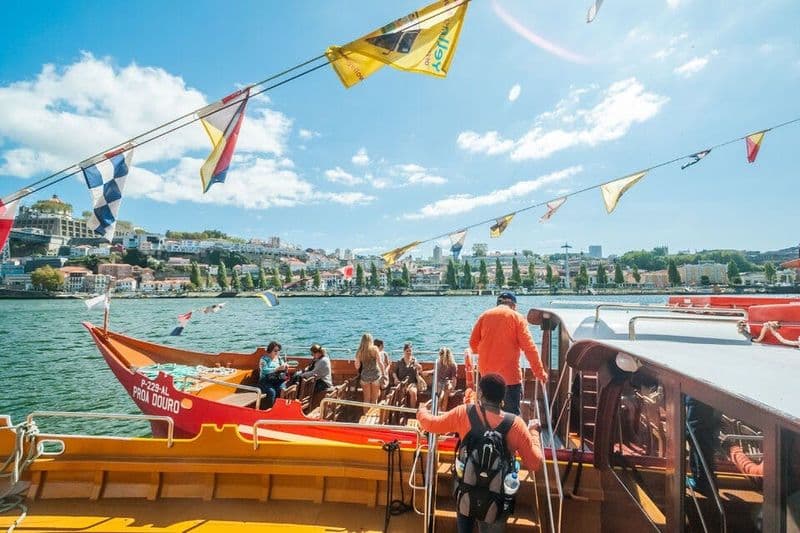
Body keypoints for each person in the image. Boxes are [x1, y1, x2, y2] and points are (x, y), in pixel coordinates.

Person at [417, 374, 543, 533]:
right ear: (502, 397)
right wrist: (534, 433)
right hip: (497, 497)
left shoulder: (464, 412)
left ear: (481, 394)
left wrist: (421, 411)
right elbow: (534, 463)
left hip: (466, 489)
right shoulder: (516, 424)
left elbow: (431, 424)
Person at [469, 291, 547, 415]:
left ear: (497, 304)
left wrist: (488, 352)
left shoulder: (484, 316)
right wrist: (539, 372)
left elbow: (473, 344)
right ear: (514, 306)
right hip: (509, 380)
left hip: (487, 378)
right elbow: (529, 348)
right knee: (510, 419)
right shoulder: (517, 317)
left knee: (487, 416)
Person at [425, 346, 458, 411]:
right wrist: (453, 388)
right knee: (443, 396)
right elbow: (453, 379)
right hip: (441, 383)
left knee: (442, 395)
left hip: (443, 383)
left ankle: (436, 409)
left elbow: (453, 379)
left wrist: (452, 388)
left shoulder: (441, 363)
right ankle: (441, 411)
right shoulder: (450, 364)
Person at [355, 333, 382, 409]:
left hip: (365, 377)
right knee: (374, 399)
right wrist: (384, 372)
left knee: (366, 399)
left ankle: (365, 415)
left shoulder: (360, 351)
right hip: (375, 376)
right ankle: (372, 418)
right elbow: (380, 362)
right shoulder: (375, 349)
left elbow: (357, 366)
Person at [392, 342, 423, 408]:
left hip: (412, 383)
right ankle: (400, 411)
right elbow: (394, 372)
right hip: (402, 382)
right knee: (399, 393)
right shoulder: (400, 361)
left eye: (410, 351)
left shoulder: (414, 360)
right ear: (404, 351)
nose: (409, 352)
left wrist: (418, 366)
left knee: (414, 392)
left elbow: (420, 370)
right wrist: (396, 379)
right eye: (407, 351)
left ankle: (411, 410)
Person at [258, 341, 287, 409]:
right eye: (275, 350)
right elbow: (264, 370)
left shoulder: (279, 359)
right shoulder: (264, 359)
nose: (277, 352)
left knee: (282, 389)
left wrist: (285, 366)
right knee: (272, 392)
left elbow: (283, 366)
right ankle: (269, 410)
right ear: (270, 350)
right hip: (265, 381)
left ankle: (279, 408)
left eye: (278, 350)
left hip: (277, 379)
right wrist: (276, 369)